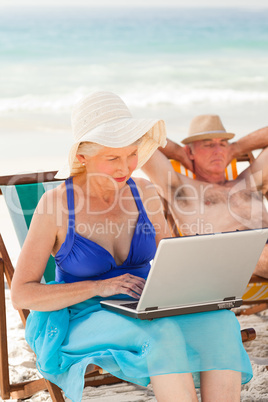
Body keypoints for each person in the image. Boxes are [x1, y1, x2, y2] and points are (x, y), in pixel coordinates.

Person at [11, 94, 252, 402]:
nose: (125, 167)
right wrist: (100, 286)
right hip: (80, 316)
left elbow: (172, 258)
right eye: (112, 158)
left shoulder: (145, 193)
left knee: (222, 322)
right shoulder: (55, 205)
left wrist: (204, 276)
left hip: (145, 307)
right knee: (161, 333)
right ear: (82, 157)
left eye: (132, 154)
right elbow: (22, 294)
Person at [143, 114, 268, 279]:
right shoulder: (180, 188)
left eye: (223, 144)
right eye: (208, 145)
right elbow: (133, 138)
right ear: (190, 152)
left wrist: (237, 148)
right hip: (231, 257)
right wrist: (178, 152)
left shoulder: (250, 180)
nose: (217, 151)